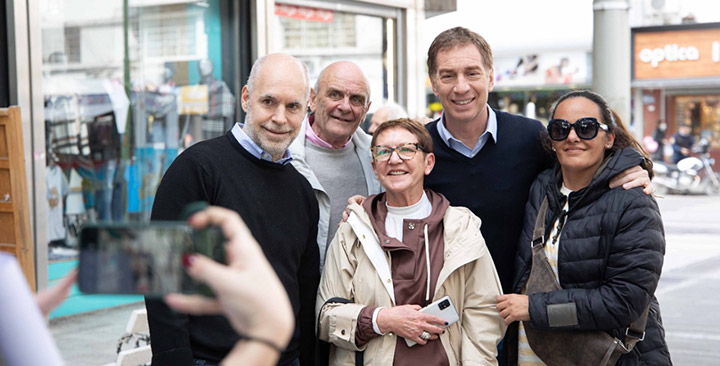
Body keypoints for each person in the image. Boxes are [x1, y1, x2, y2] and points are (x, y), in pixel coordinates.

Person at [423, 26, 651, 296]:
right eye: (448, 76)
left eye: (472, 73)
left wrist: (634, 168)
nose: (461, 87)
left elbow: (584, 163)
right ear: (434, 84)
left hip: (519, 309)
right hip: (444, 308)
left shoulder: (530, 137)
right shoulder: (418, 147)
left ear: (491, 78)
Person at [148, 53, 320, 366]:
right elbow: (161, 273)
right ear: (246, 98)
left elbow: (306, 292)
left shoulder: (304, 191)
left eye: (292, 106)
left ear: (307, 107)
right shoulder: (197, 168)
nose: (280, 118)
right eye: (268, 102)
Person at [496, 90, 671, 365]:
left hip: (609, 356)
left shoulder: (633, 202)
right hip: (532, 355)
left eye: (587, 128)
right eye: (560, 128)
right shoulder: (541, 187)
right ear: (551, 141)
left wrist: (534, 308)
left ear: (609, 137)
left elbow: (624, 302)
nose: (573, 136)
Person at [318, 118, 506, 365]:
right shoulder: (353, 231)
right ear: (374, 167)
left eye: (407, 149)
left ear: (429, 162)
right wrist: (382, 320)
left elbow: (484, 314)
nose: (394, 160)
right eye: (384, 152)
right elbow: (325, 317)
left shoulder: (461, 228)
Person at [166, 206, 295, 366]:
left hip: (283, 352)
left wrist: (269, 331)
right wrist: (270, 330)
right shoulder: (194, 181)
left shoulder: (302, 190)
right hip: (207, 354)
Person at [289, 61, 382, 269]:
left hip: (359, 296)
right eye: (334, 95)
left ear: (366, 110)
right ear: (312, 99)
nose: (345, 106)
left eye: (356, 99)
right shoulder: (282, 154)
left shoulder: (377, 158)